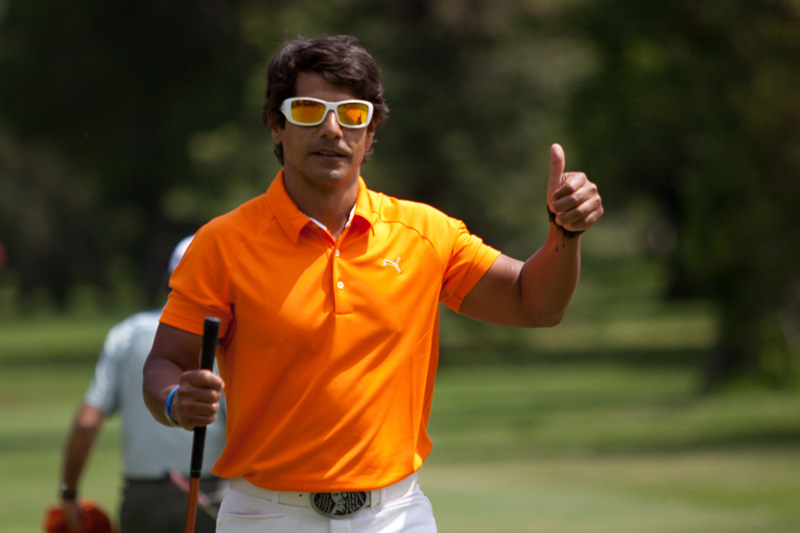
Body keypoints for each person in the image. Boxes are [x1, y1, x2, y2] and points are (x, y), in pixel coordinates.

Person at [143, 34, 603, 533]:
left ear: (371, 130)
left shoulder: (425, 233)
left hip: (395, 514)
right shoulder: (223, 243)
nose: (332, 129)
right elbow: (165, 363)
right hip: (266, 515)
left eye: (352, 114)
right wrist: (175, 400)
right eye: (308, 111)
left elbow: (534, 304)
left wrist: (565, 233)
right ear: (276, 124)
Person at [60, 235, 227, 533]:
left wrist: (69, 494)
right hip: (211, 497)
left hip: (142, 501)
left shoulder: (127, 332)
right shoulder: (233, 335)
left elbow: (87, 422)